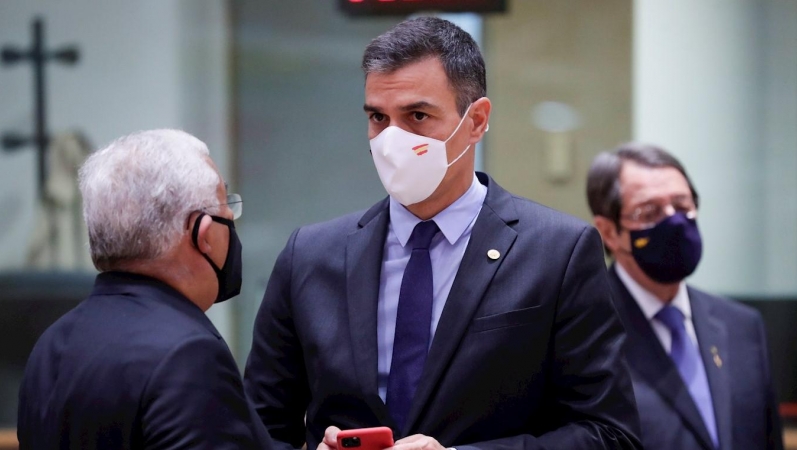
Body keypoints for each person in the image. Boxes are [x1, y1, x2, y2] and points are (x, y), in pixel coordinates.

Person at [244, 17, 641, 450]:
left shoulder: (558, 252)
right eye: (378, 118)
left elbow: (609, 434)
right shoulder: (310, 255)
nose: (391, 140)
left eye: (417, 116)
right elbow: (255, 431)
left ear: (476, 121)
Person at [17, 129, 272, 449]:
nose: (232, 220)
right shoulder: (188, 355)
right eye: (226, 206)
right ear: (203, 234)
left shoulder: (50, 345)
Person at [586, 142, 784, 450]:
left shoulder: (742, 326)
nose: (673, 222)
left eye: (682, 206)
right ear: (609, 232)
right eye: (649, 212)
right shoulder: (586, 332)